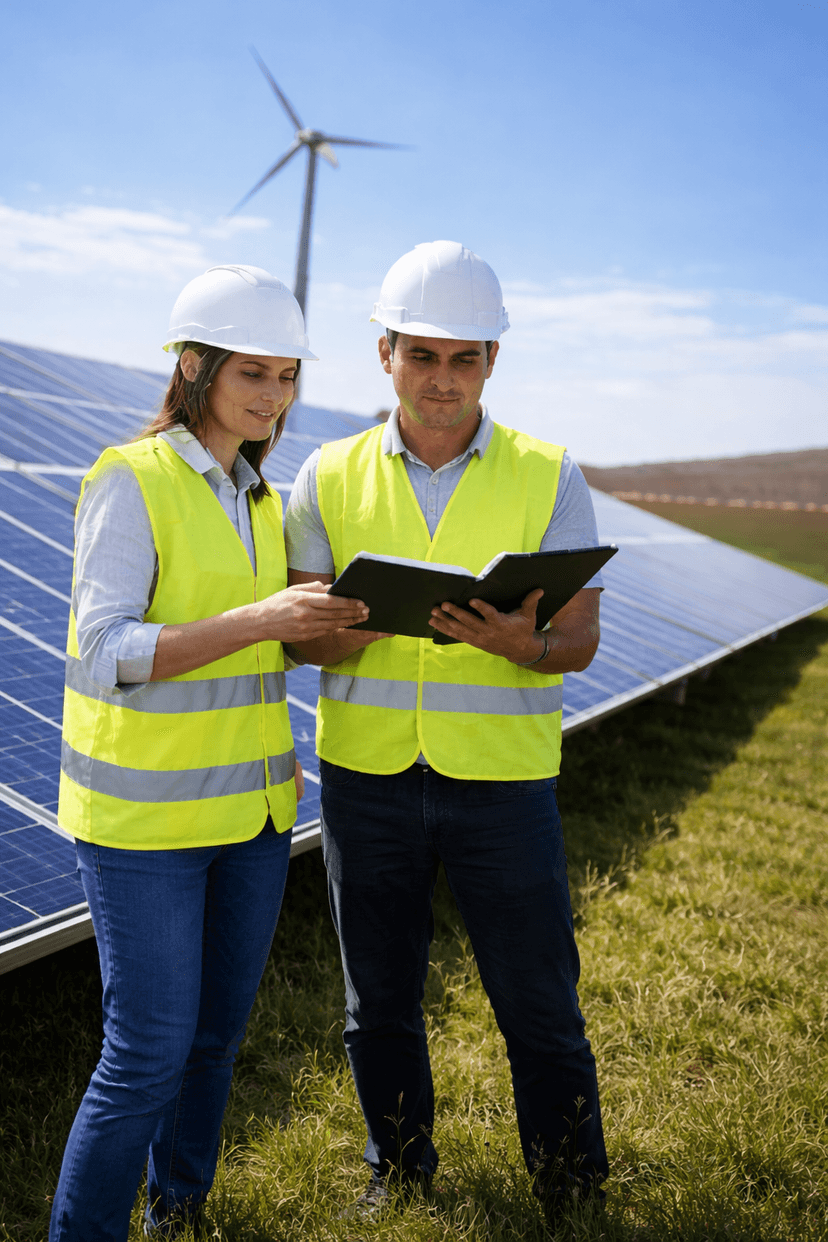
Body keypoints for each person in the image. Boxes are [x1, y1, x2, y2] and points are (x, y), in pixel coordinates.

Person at [284, 241, 609, 1222]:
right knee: (377, 1002)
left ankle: (571, 1188)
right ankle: (399, 1171)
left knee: (538, 1002)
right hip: (368, 781)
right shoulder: (326, 476)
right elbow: (300, 642)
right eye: (421, 355)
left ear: (493, 362)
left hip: (502, 784)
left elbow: (580, 641)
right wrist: (350, 624)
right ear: (384, 354)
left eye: (465, 357)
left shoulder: (551, 474)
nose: (442, 378)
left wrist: (524, 643)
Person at [50, 265, 368, 1241]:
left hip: (256, 818)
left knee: (215, 1043)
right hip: (145, 826)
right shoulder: (131, 479)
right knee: (145, 1053)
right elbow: (104, 653)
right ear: (194, 367)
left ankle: (176, 1213)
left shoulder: (263, 499)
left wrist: (330, 625)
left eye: (287, 375)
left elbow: (258, 652)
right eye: (252, 373)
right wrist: (261, 619)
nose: (274, 395)